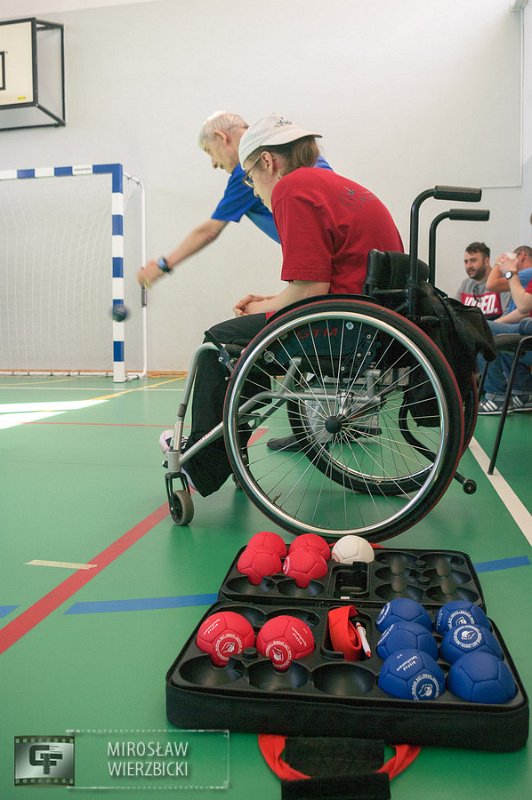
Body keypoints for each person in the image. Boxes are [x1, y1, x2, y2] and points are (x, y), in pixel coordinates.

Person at [165, 113, 403, 497]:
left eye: (249, 177)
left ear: (267, 161)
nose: (253, 188)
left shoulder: (291, 188)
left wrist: (267, 308)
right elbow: (320, 280)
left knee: (218, 343)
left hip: (341, 326)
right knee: (251, 342)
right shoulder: (340, 185)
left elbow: (311, 290)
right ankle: (231, 452)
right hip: (370, 320)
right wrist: (269, 302)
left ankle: (204, 465)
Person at [136, 110, 331, 287]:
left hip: (322, 270)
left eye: (210, 152)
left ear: (221, 137)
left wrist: (162, 266)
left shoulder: (249, 171)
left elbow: (209, 231)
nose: (214, 163)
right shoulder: (296, 151)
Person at [478, 251, 532, 414]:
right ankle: (523, 393)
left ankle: (497, 397)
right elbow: (524, 310)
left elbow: (524, 305)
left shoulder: (527, 272)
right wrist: (493, 325)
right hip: (526, 325)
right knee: (492, 330)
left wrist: (509, 270)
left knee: (479, 330)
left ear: (521, 256)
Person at [455, 242, 509, 318]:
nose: (469, 266)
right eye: (466, 262)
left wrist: (491, 325)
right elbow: (454, 313)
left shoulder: (501, 282)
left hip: (495, 324)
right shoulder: (465, 285)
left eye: (473, 260)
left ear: (486, 261)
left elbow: (508, 314)